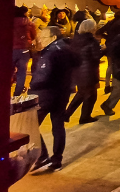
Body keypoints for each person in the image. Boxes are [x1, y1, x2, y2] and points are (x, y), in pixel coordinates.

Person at [30, 26, 80, 172]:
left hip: (46, 94)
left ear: (53, 38)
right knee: (58, 126)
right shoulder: (68, 48)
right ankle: (57, 159)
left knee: (30, 125)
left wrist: (32, 87)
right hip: (62, 93)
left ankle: (42, 156)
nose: (40, 40)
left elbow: (43, 76)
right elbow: (77, 64)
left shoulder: (51, 52)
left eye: (43, 37)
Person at [65, 19, 103, 124]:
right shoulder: (92, 41)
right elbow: (96, 56)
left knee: (82, 93)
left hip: (77, 71)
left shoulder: (75, 39)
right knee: (91, 96)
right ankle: (84, 117)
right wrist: (104, 49)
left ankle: (67, 114)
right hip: (89, 71)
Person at [97, 11, 120, 94]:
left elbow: (98, 32)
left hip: (109, 46)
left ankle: (107, 85)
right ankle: (114, 85)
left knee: (110, 65)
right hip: (119, 47)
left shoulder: (110, 23)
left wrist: (107, 37)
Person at [13, 6, 37, 96]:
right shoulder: (29, 23)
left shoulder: (8, 22)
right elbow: (33, 36)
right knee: (22, 72)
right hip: (24, 50)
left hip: (11, 49)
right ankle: (17, 94)